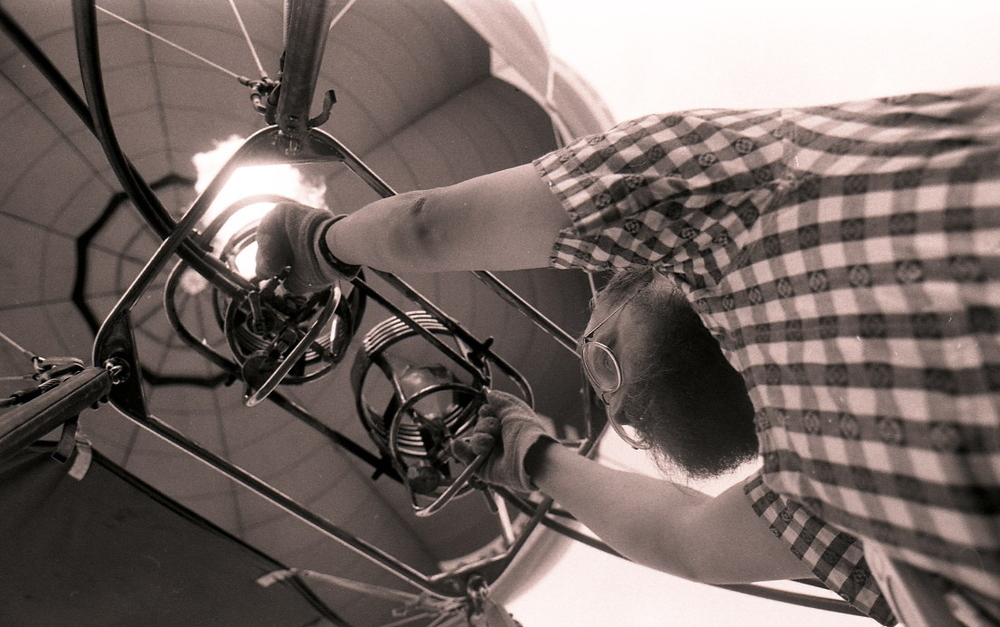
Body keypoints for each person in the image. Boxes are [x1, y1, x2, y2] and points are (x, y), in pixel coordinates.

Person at [256, 85, 1000, 626]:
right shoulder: (747, 195)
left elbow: (686, 541)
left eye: (598, 366)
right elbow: (683, 540)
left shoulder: (828, 501)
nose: (620, 405)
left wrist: (314, 246)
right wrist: (318, 242)